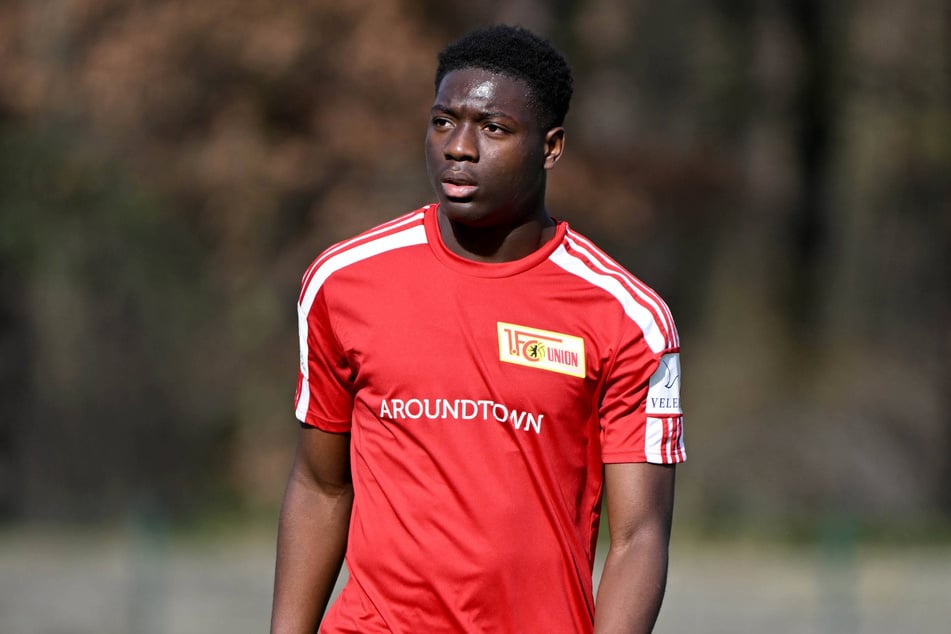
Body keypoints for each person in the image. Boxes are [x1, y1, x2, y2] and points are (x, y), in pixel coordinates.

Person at [271, 24, 685, 634]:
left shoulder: (630, 319)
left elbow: (638, 537)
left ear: (552, 147)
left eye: (492, 128)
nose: (458, 148)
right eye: (444, 122)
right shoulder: (343, 281)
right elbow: (320, 486)